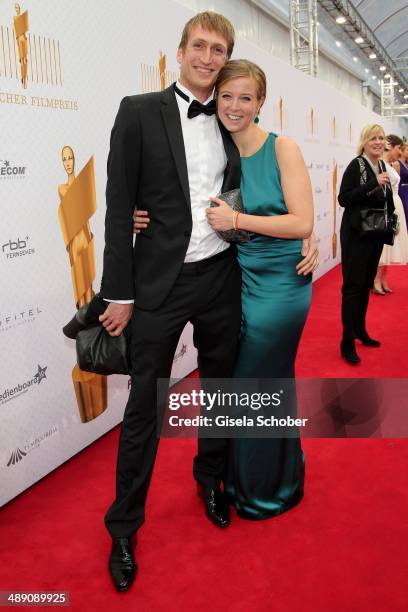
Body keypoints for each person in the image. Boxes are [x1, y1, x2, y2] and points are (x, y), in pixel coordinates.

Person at [107, 12, 317, 592]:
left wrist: (308, 233)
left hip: (223, 277)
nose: (206, 56)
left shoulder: (232, 119)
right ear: (179, 52)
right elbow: (119, 205)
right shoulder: (138, 110)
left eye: (217, 48)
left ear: (227, 60)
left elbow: (268, 183)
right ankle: (124, 527)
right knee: (145, 407)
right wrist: (119, 291)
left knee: (221, 390)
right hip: (159, 285)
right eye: (198, 46)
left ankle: (212, 481)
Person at [136, 59, 318, 520]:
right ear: (215, 98)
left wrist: (241, 221)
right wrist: (137, 214)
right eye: (227, 96)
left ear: (261, 103)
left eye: (246, 97)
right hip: (235, 276)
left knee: (255, 381)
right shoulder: (217, 146)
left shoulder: (283, 147)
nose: (234, 106)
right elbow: (178, 190)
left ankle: (262, 487)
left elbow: (301, 220)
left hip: (279, 285)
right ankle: (249, 476)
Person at [338, 124, 394, 365]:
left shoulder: (381, 165)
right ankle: (347, 341)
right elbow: (344, 199)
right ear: (364, 141)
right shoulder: (356, 165)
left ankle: (360, 330)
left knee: (365, 287)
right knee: (352, 288)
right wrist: (373, 184)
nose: (378, 142)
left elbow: (384, 198)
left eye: (381, 138)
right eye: (373, 138)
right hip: (355, 235)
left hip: (374, 233)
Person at [374, 135, 408, 294]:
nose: (400, 153)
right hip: (389, 205)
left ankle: (383, 278)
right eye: (399, 149)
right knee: (385, 244)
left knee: (391, 243)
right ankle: (376, 280)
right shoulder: (381, 165)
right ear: (392, 146)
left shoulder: (389, 164)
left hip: (395, 204)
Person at [398, 143, 408, 228]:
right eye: (407, 150)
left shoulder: (406, 164)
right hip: (402, 192)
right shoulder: (397, 163)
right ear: (401, 151)